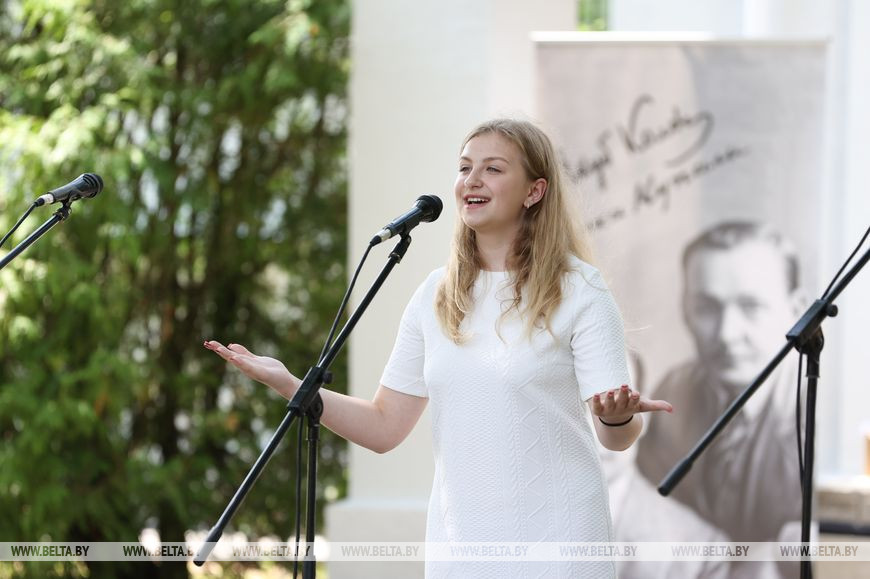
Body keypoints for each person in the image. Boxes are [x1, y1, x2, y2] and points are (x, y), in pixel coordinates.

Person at [205, 118, 673, 578]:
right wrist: (290, 384)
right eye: (465, 167)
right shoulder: (436, 294)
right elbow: (384, 427)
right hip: (461, 548)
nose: (472, 179)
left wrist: (616, 417)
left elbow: (617, 436)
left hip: (558, 547)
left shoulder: (579, 290)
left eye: (493, 168)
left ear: (534, 191)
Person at [635, 221, 805, 577]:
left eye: (751, 306)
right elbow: (647, 506)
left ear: (798, 309)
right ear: (685, 309)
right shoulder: (675, 390)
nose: (727, 334)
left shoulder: (821, 410)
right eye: (707, 308)